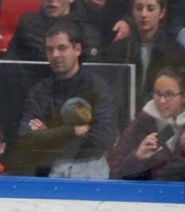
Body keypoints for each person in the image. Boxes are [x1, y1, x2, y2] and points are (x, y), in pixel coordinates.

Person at [15, 21, 117, 178]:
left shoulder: (97, 87)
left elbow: (104, 138)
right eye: (50, 49)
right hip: (49, 171)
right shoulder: (39, 91)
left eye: (61, 48)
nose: (55, 55)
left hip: (92, 172)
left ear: (77, 49)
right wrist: (73, 131)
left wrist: (48, 134)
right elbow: (25, 138)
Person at [102, 0, 185, 112]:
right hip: (124, 121)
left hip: (163, 121)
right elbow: (106, 93)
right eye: (139, 8)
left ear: (162, 13)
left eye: (150, 9)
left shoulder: (176, 52)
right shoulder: (118, 49)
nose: (144, 14)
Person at [109, 67, 185, 181]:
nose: (161, 101)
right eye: (157, 94)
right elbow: (115, 173)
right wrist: (137, 157)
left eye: (169, 94)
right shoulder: (139, 124)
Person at [5, 0, 102, 63]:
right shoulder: (27, 25)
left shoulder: (86, 32)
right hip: (30, 86)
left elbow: (92, 72)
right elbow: (9, 63)